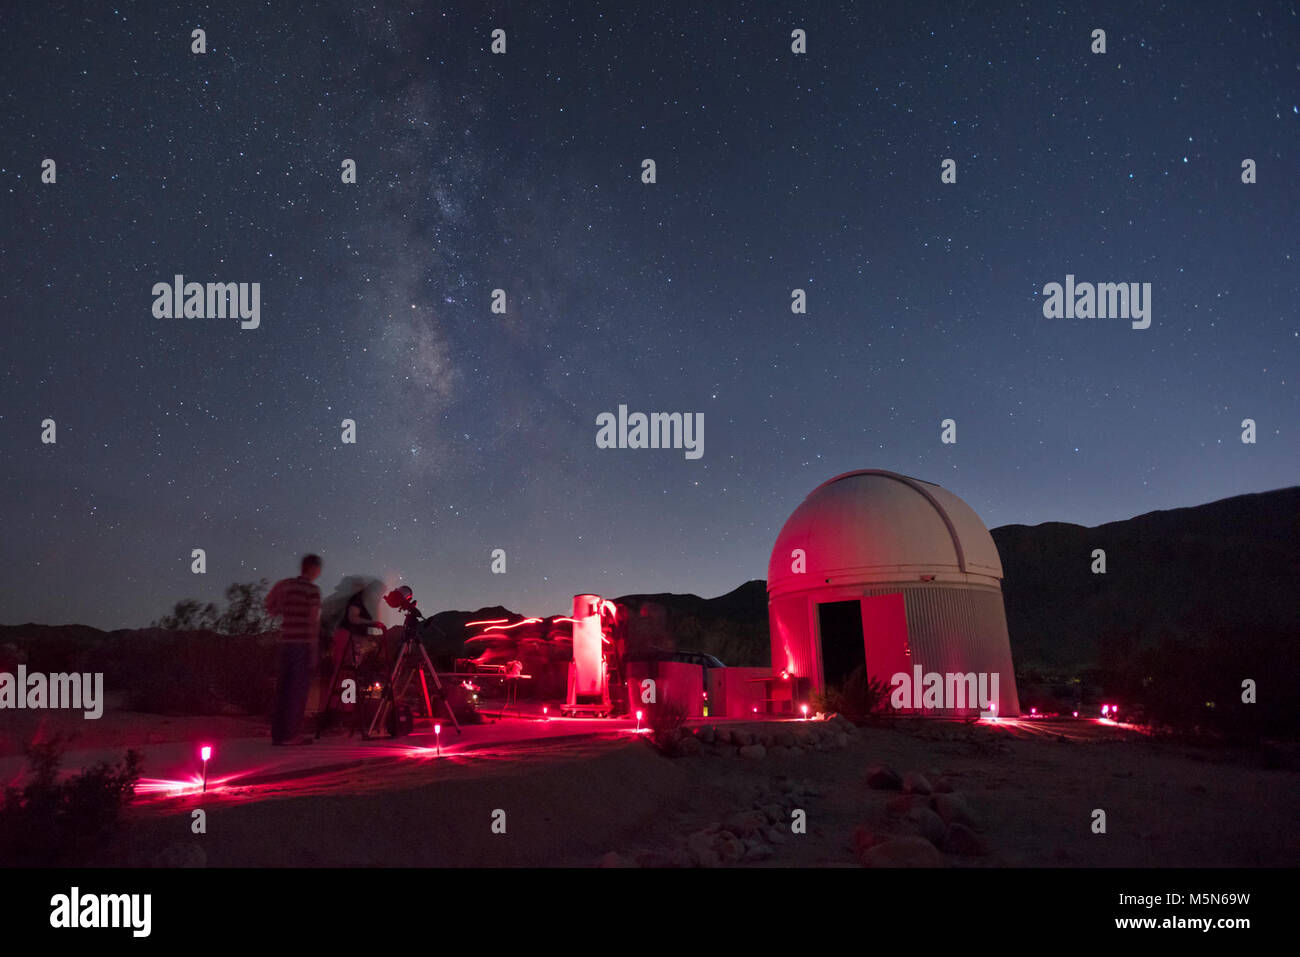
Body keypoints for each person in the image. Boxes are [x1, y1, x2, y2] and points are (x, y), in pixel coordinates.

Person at [265, 554, 323, 745]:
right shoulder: (312, 590)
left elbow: (270, 605)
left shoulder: (285, 585)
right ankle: (291, 735)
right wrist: (314, 651)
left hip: (286, 641)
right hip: (303, 644)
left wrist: (282, 610)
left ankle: (278, 735)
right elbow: (313, 622)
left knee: (283, 689)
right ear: (314, 569)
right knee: (297, 691)